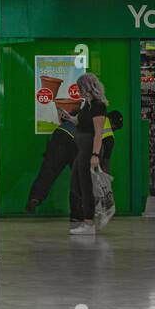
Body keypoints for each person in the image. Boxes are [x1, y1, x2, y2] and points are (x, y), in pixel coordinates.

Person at [68, 72, 108, 237]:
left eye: (80, 88)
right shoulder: (88, 105)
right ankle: (92, 215)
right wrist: (69, 118)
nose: (78, 91)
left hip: (90, 149)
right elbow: (80, 122)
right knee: (76, 183)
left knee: (85, 185)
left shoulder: (98, 106)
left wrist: (95, 154)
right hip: (83, 149)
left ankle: (88, 222)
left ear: (87, 87)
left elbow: (98, 132)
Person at [26, 109, 78, 214]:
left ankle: (35, 198)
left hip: (59, 133)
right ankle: (80, 208)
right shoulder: (96, 116)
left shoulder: (78, 112)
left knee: (48, 170)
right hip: (75, 139)